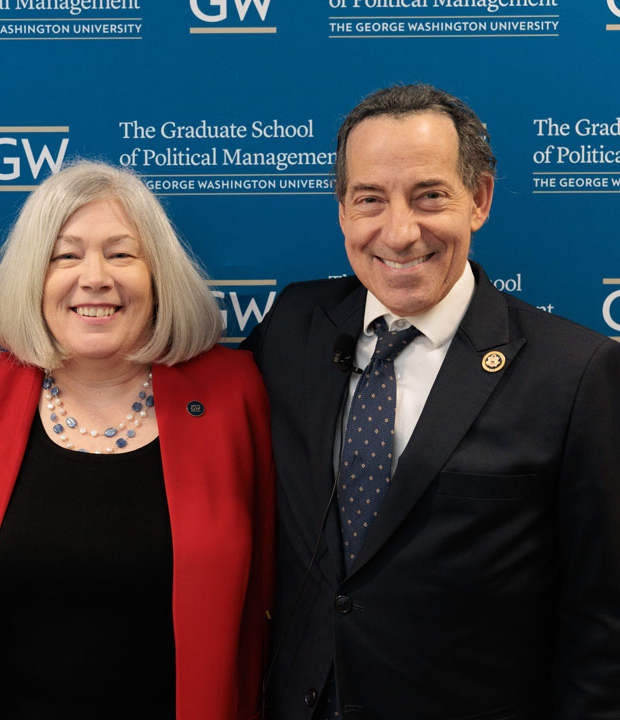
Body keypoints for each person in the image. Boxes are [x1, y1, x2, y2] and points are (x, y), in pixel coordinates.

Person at [243, 84, 620, 719]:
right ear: (341, 211)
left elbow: (604, 619)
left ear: (479, 200)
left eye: (429, 196)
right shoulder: (293, 326)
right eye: (369, 199)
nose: (399, 231)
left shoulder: (576, 371)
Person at [0, 160, 275, 720]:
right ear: (35, 276)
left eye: (121, 253)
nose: (95, 277)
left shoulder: (235, 394)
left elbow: (276, 571)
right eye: (65, 255)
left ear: (158, 275)